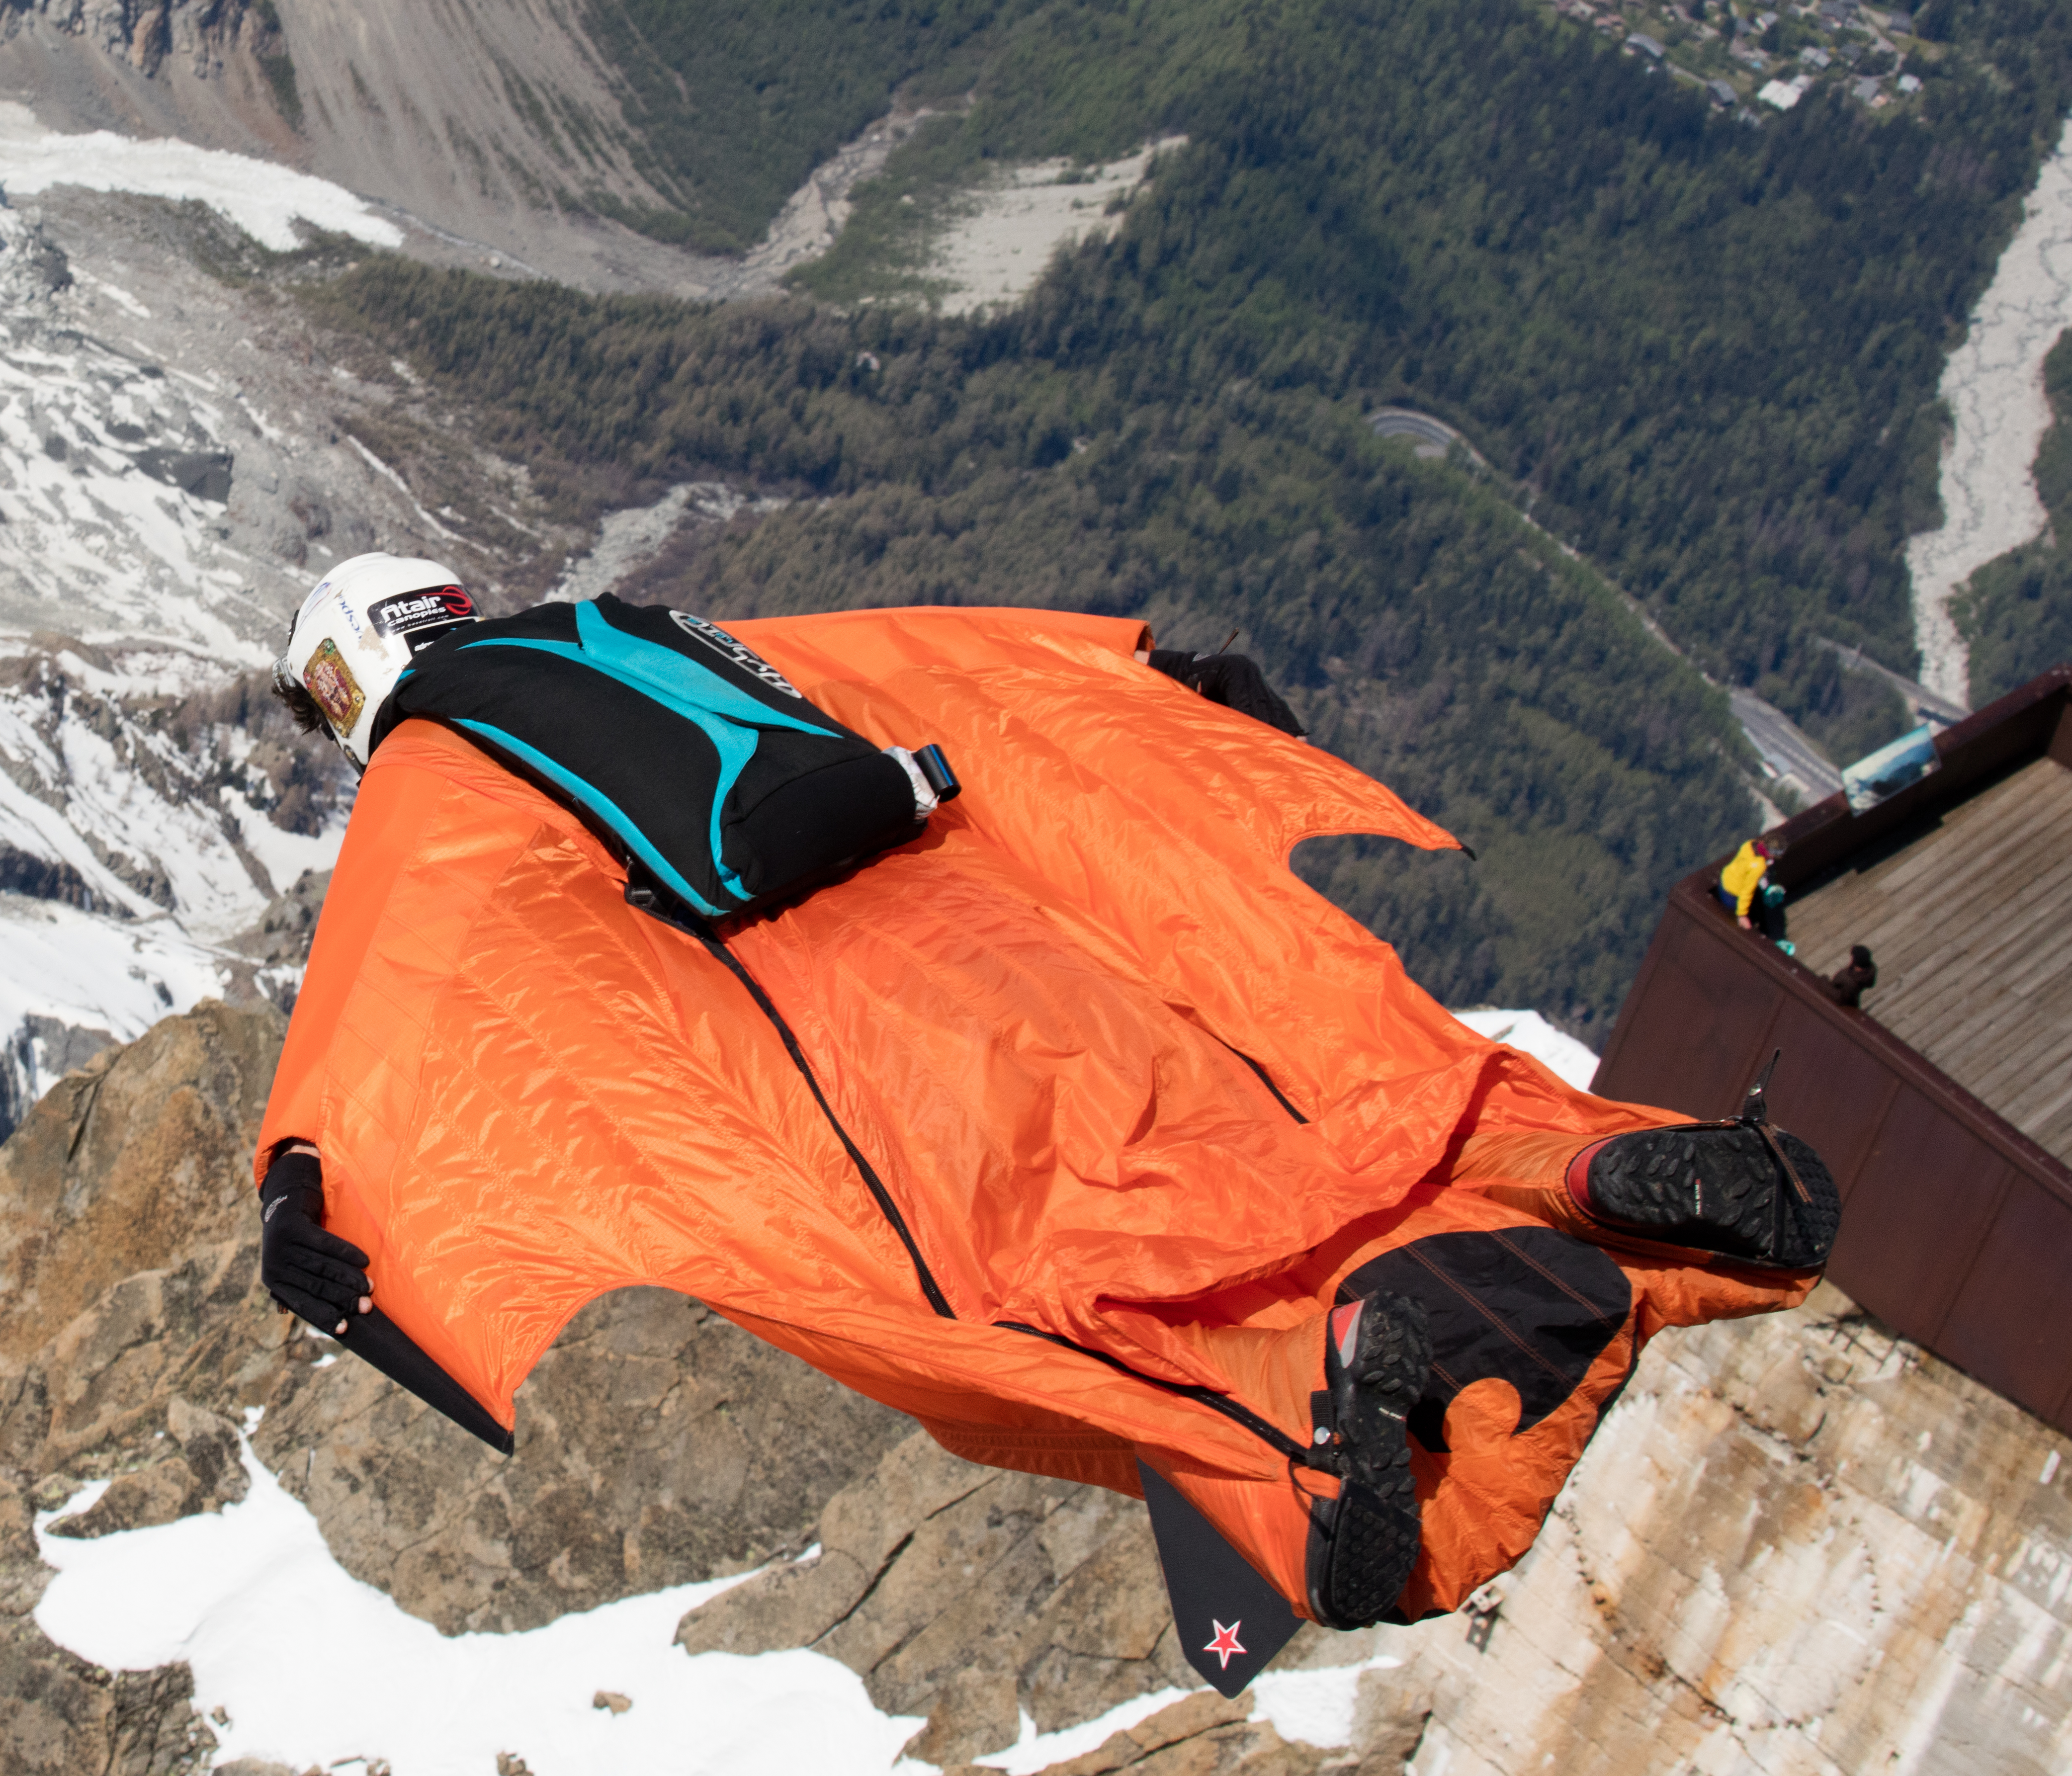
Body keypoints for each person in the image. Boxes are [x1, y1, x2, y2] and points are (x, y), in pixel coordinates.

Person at [252, 554, 1838, 1678]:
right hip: (1018, 942)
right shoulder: (650, 628)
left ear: (358, 672)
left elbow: (383, 997)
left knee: (1029, 1331)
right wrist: (1144, 675)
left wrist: (303, 1194)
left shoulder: (433, 767)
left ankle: (1311, 1438)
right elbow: (941, 661)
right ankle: (1571, 1169)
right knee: (1288, 1144)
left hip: (886, 1065)